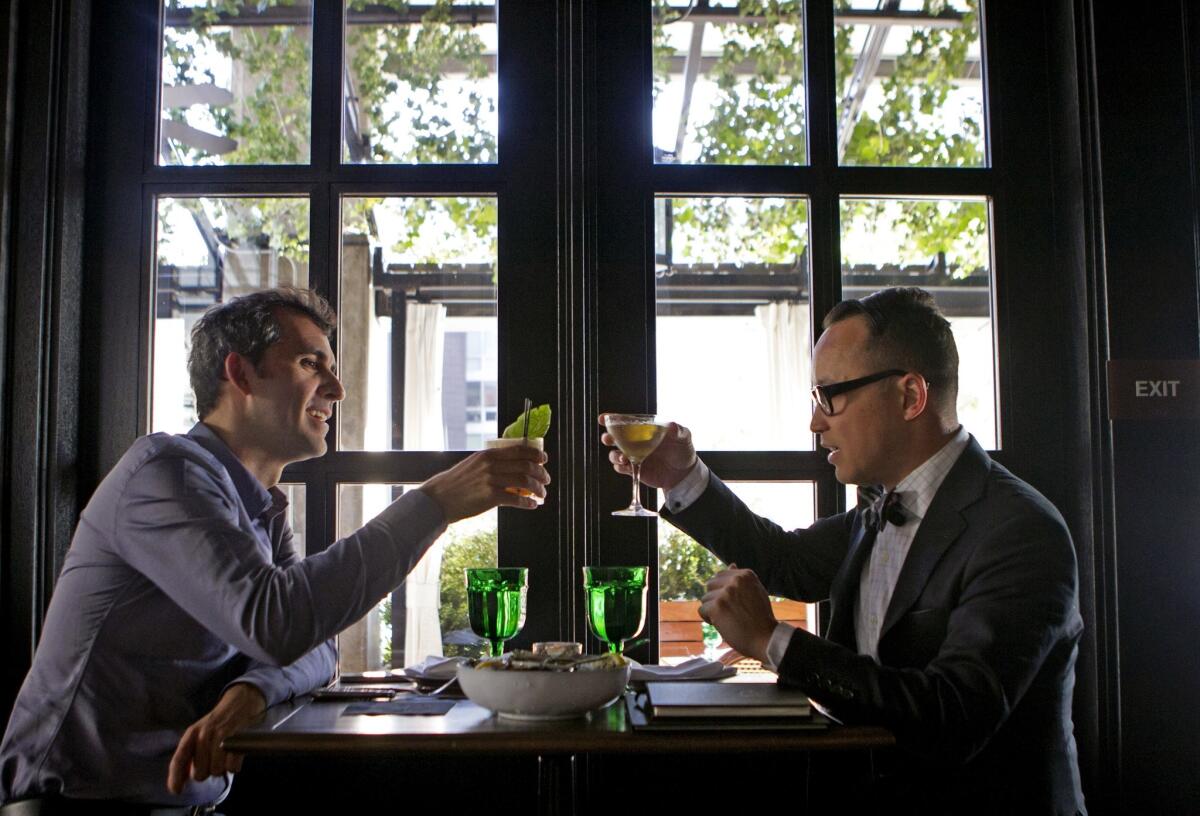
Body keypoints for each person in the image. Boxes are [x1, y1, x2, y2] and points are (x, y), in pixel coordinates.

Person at [0, 288, 550, 812]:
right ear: (240, 373)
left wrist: (254, 689)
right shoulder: (165, 471)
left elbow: (317, 646)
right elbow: (276, 620)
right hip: (77, 808)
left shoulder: (257, 506)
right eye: (311, 364)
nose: (336, 389)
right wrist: (434, 502)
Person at [602, 287, 1086, 814]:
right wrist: (682, 477)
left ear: (910, 397)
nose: (815, 422)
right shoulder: (879, 508)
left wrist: (772, 640)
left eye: (830, 394)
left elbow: (952, 718)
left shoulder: (1020, 530)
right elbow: (785, 560)